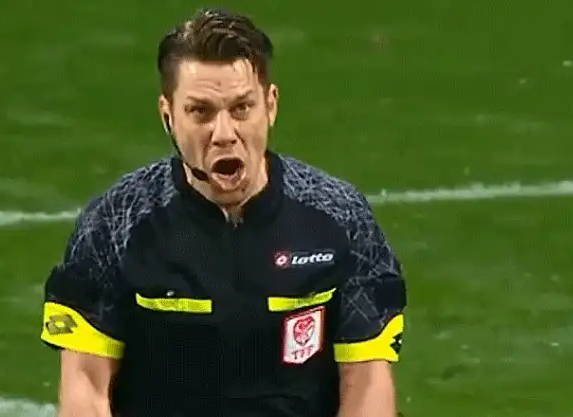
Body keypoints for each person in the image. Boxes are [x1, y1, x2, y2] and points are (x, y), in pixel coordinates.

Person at [40, 7, 407, 417]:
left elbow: (368, 384)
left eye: (241, 108)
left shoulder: (339, 218)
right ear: (168, 115)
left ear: (270, 105)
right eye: (201, 112)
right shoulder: (115, 223)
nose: (224, 134)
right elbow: (85, 388)